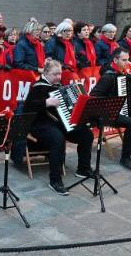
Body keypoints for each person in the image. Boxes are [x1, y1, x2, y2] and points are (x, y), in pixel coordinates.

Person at [22, 59, 95, 195]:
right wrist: (46, 102)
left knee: (87, 134)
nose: (58, 77)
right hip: (40, 125)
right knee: (57, 139)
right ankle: (55, 180)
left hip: (60, 123)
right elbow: (27, 109)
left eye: (60, 74)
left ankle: (83, 169)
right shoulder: (38, 87)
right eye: (55, 74)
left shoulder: (59, 86)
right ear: (46, 73)